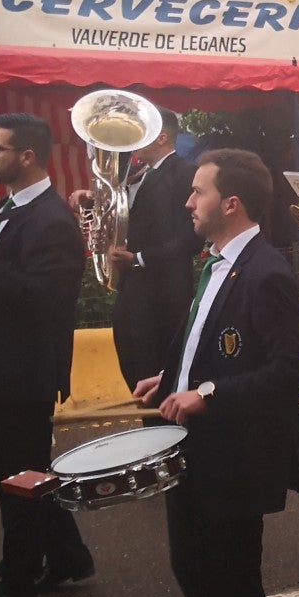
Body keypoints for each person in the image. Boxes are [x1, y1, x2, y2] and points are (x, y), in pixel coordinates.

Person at [131, 149, 299, 597]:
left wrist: (206, 395)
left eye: (198, 192)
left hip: (236, 458)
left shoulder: (268, 273)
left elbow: (291, 371)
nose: (189, 202)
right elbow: (212, 343)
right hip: (197, 452)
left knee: (227, 586)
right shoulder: (216, 264)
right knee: (197, 570)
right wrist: (170, 376)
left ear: (229, 203)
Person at [0, 113, 91, 597]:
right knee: (30, 475)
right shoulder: (6, 212)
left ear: (27, 156)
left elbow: (49, 298)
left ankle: (15, 584)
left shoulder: (52, 222)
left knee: (15, 482)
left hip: (22, 374)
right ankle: (68, 557)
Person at [69, 110, 201, 391]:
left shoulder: (184, 172)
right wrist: (91, 202)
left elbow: (192, 239)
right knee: (135, 370)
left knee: (156, 379)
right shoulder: (138, 175)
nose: (136, 141)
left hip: (164, 297)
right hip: (132, 293)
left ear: (162, 137)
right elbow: (120, 215)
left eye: (146, 133)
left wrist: (138, 259)